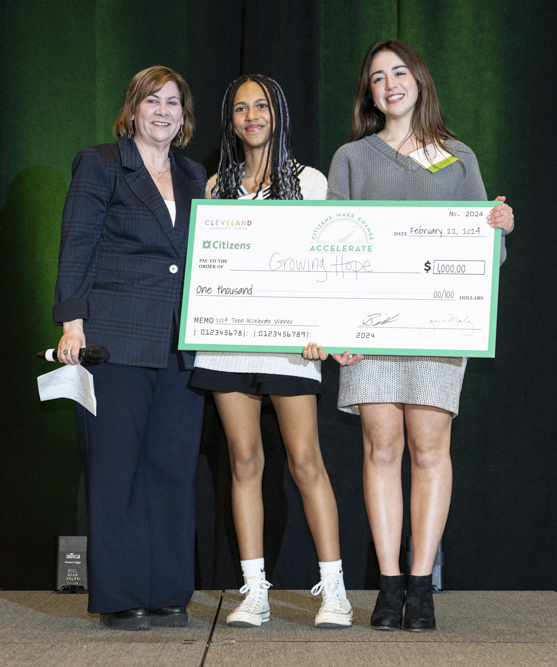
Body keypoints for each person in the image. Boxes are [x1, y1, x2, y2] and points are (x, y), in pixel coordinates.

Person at [313, 40, 515, 632]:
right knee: (381, 449)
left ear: (419, 80)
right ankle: (388, 585)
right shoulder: (351, 157)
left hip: (436, 328)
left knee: (430, 450)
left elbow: (486, 255)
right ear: (368, 93)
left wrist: (499, 227)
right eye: (377, 77)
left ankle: (421, 587)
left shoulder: (457, 156)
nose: (390, 83)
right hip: (369, 333)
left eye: (399, 72)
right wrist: (336, 328)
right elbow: (330, 247)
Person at [189, 74, 353, 629]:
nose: (251, 116)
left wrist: (324, 329)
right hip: (229, 346)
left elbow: (328, 266)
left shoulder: (309, 182)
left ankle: (334, 591)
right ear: (230, 120)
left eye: (261, 106)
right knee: (243, 461)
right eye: (240, 108)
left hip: (291, 346)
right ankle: (253, 590)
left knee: (306, 462)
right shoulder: (215, 188)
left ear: (277, 114)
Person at [52, 66, 206, 631]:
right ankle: (119, 596)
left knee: (171, 468)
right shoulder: (100, 163)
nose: (163, 111)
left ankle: (167, 592)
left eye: (173, 102)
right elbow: (77, 243)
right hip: (114, 338)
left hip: (180, 343)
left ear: (184, 115)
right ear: (133, 109)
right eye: (152, 101)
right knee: (116, 468)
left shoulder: (195, 175)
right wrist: (72, 322)